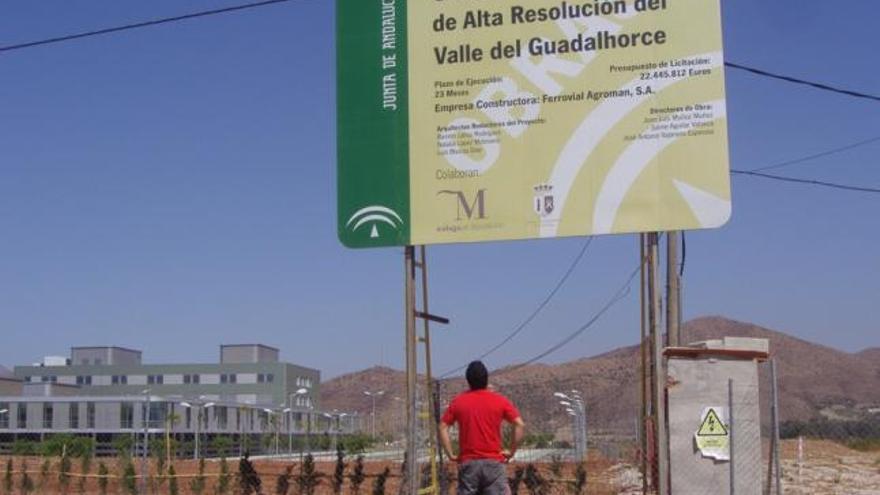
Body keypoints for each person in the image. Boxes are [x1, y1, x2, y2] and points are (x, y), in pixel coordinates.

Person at [439, 361, 526, 495]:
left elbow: (442, 427)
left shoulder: (458, 402)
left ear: (468, 381)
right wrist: (511, 451)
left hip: (468, 464)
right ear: (486, 379)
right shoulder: (499, 401)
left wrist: (450, 454)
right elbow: (519, 424)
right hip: (494, 463)